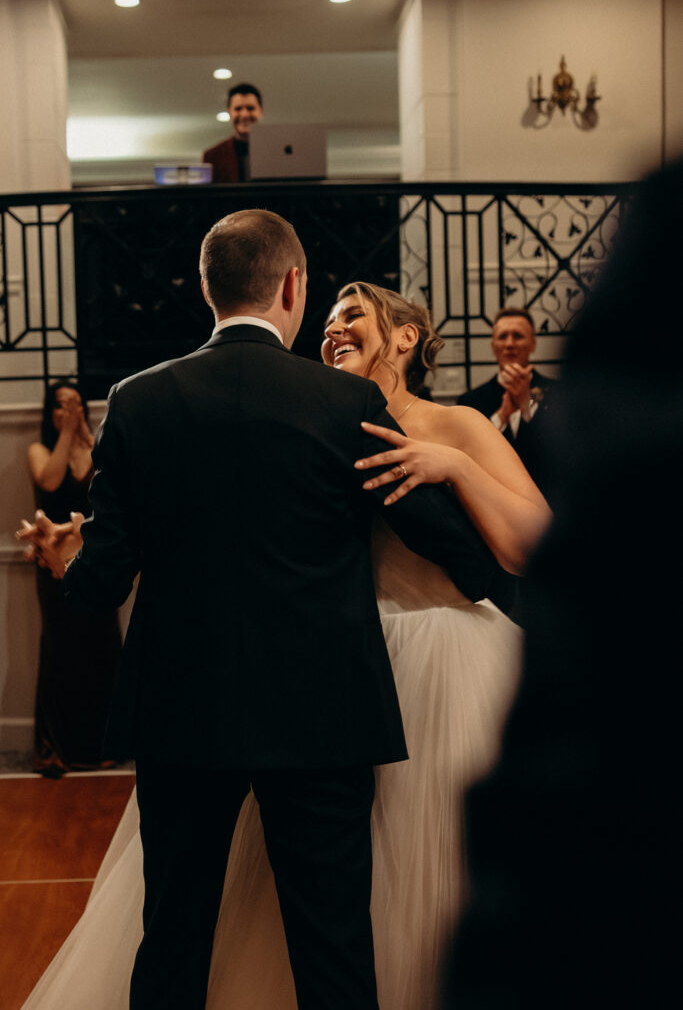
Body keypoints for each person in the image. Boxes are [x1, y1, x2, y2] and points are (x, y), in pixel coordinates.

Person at [18, 277, 549, 1010]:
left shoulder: (451, 424)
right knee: (325, 902)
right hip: (336, 672)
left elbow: (517, 550)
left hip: (435, 659)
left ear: (404, 337)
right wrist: (91, 546)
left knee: (433, 876)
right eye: (327, 319)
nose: (332, 330)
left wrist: (452, 465)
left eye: (353, 317)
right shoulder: (324, 417)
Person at [442, 157, 683, 1010]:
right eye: (499, 341)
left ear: (534, 345)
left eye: (518, 341)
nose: (508, 351)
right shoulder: (476, 406)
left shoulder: (606, 417)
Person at [25, 380, 120, 777]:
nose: (72, 410)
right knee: (60, 649)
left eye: (77, 404)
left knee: (99, 647)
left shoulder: (89, 446)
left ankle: (98, 746)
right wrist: (66, 432)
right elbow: (49, 480)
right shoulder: (38, 449)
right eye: (63, 405)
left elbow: (107, 485)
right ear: (51, 412)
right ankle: (57, 749)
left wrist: (85, 434)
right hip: (51, 562)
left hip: (91, 560)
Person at [456, 308, 555, 495]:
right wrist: (502, 416)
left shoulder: (557, 394)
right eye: (503, 337)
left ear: (533, 343)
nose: (509, 344)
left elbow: (560, 453)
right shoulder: (470, 401)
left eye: (518, 336)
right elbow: (468, 457)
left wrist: (527, 405)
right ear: (494, 346)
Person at [202, 82, 263, 182]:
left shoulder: (277, 151)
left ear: (261, 111)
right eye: (238, 109)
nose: (244, 115)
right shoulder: (213, 156)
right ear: (230, 112)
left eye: (250, 108)